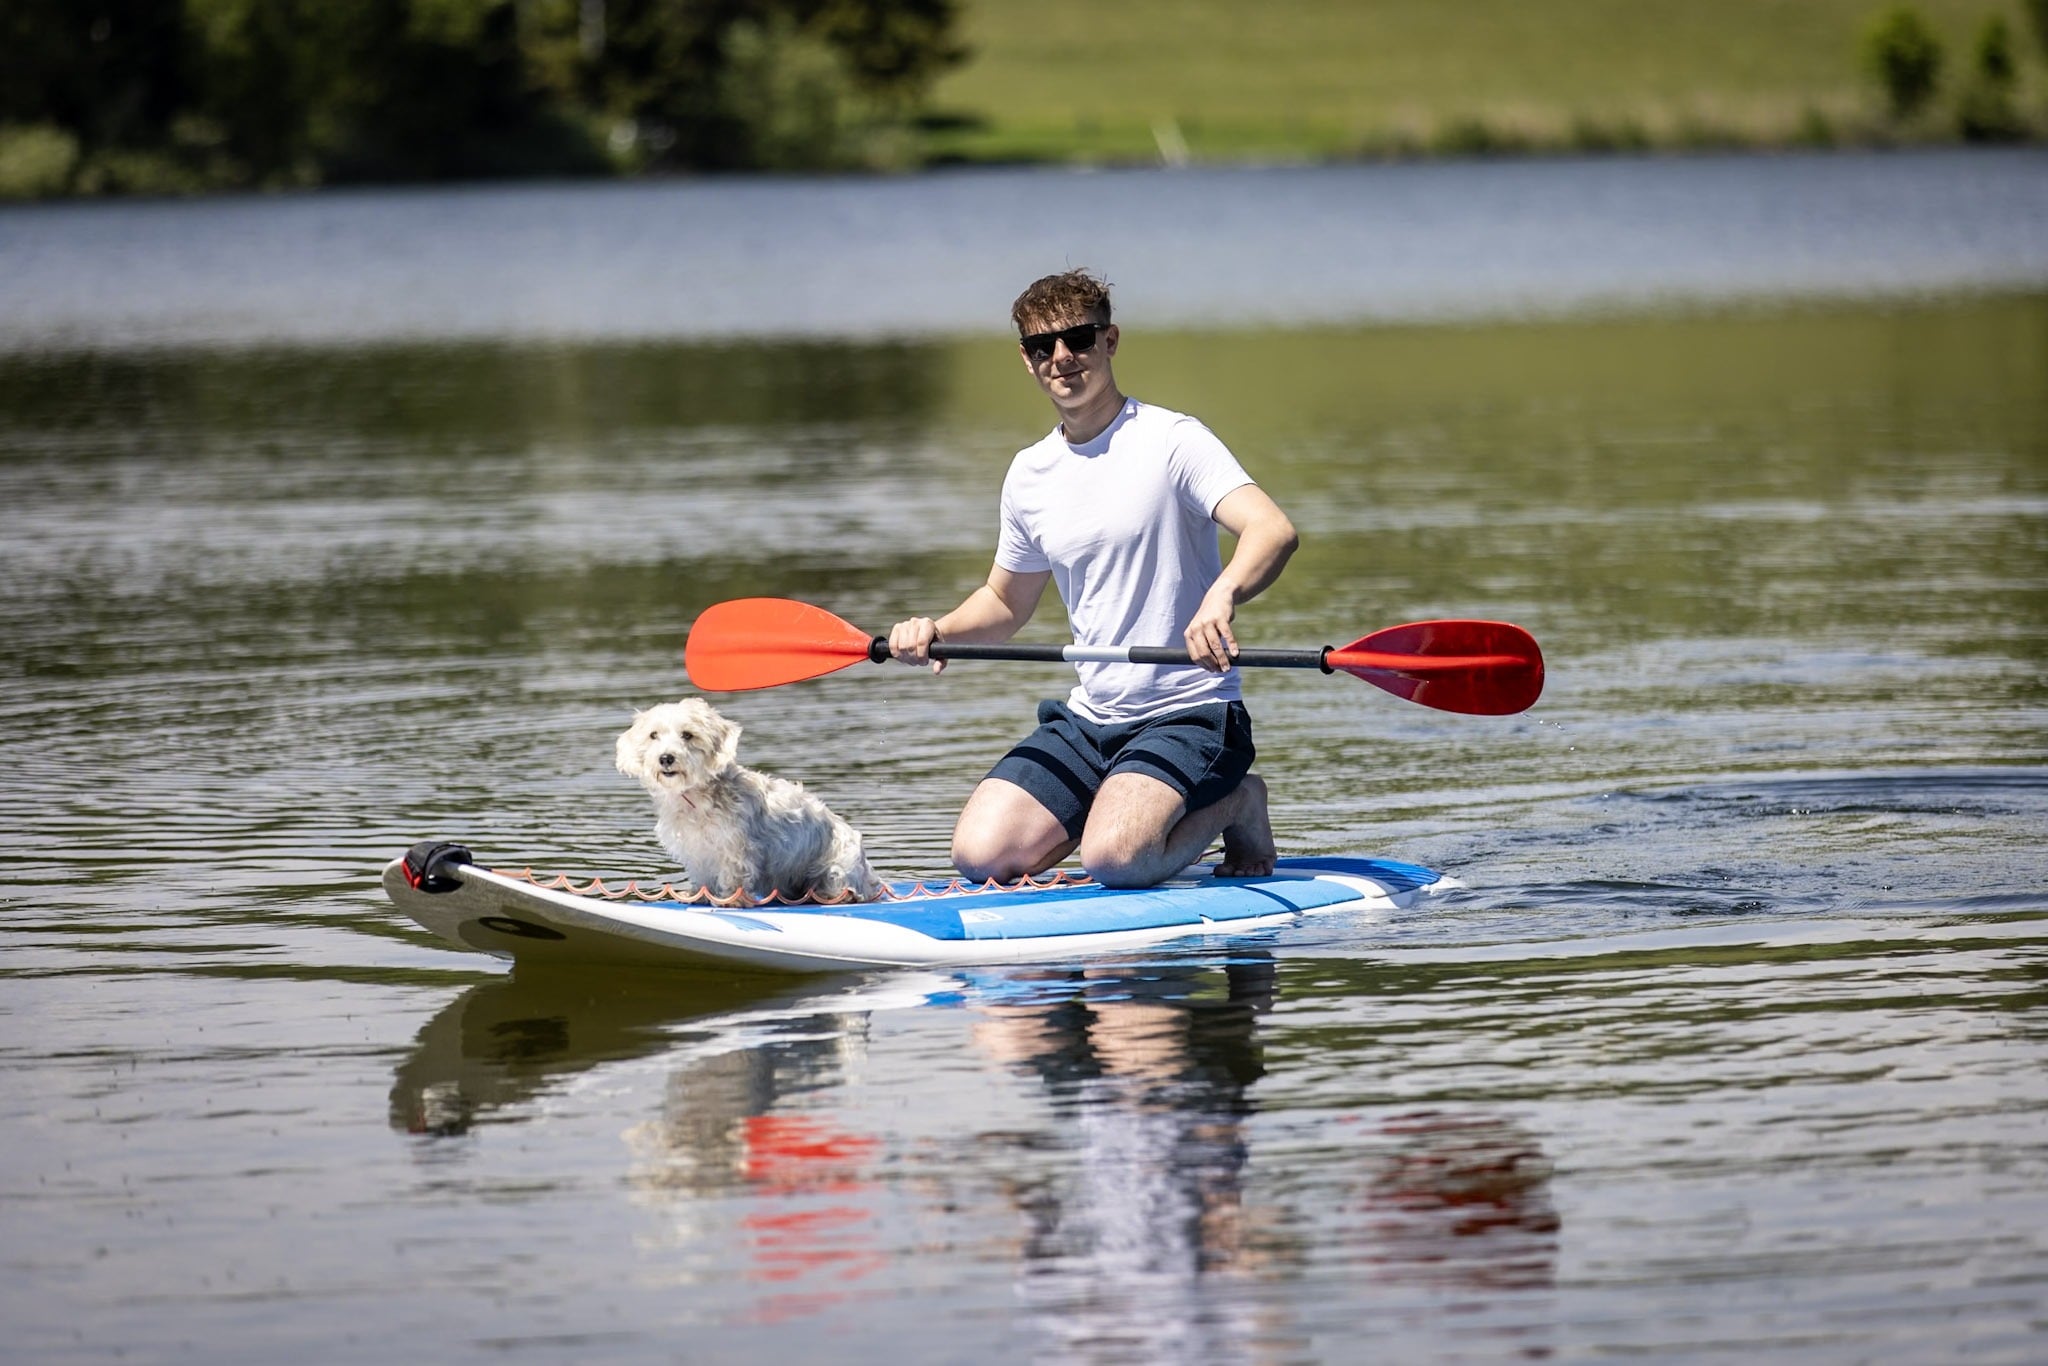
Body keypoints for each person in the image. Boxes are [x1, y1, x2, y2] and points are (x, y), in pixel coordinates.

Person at [888, 269, 1299, 889]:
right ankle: (1119, 801)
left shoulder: (1172, 440)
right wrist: (935, 630)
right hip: (1089, 719)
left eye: (1078, 339)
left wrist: (1222, 595)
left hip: (1190, 712)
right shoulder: (1030, 474)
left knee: (1115, 860)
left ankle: (1238, 801)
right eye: (1041, 347)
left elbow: (1271, 530)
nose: (1062, 358)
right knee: (979, 855)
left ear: (1110, 341)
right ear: (1026, 361)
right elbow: (1005, 600)